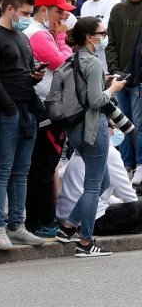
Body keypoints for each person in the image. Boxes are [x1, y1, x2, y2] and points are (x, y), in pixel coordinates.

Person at [0, 0, 47, 249]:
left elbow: (22, 70)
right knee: (2, 170)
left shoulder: (20, 36)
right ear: (10, 8)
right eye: (26, 13)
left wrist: (34, 76)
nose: (29, 17)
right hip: (6, 112)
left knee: (21, 171)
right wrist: (8, 108)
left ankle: (17, 224)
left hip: (25, 108)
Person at [55, 17, 124, 257]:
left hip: (73, 129)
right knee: (94, 186)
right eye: (101, 33)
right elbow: (96, 101)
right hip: (93, 128)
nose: (104, 36)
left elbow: (82, 93)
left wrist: (102, 84)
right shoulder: (93, 63)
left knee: (102, 182)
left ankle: (68, 228)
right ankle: (85, 242)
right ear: (89, 37)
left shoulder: (72, 59)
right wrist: (113, 89)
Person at [23, 0, 74, 237]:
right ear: (43, 10)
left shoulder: (43, 32)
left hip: (46, 105)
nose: (63, 18)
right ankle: (41, 220)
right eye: (59, 12)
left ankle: (39, 219)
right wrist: (63, 40)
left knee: (43, 166)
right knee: (43, 167)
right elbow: (65, 64)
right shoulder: (38, 34)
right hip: (45, 107)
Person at [105, 0, 142, 178]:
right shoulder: (118, 9)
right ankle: (126, 166)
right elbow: (111, 44)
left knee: (139, 123)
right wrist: (115, 71)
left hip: (139, 78)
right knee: (122, 123)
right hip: (120, 78)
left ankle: (139, 164)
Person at [76, 0, 120, 72]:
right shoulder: (85, 5)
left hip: (107, 64)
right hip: (88, 64)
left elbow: (102, 34)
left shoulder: (114, 3)